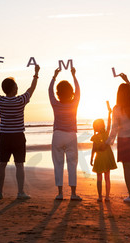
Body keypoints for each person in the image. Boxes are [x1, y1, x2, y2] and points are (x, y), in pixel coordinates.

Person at [0, 62, 40, 200]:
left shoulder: (0, 100)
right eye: (16, 86)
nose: (18, 87)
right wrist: (36, 74)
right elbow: (32, 88)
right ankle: (20, 192)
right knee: (19, 165)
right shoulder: (20, 100)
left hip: (4, 136)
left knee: (2, 164)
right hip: (18, 136)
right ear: (13, 89)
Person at [107, 73, 130, 202]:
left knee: (127, 168)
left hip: (124, 140)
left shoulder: (116, 109)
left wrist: (109, 141)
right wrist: (128, 80)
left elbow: (114, 128)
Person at [49, 67, 82, 201]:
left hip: (57, 135)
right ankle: (73, 193)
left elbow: (49, 91)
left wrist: (54, 76)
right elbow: (79, 91)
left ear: (58, 93)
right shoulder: (74, 103)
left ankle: (60, 193)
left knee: (58, 163)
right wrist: (74, 76)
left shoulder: (55, 104)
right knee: (72, 164)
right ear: (71, 92)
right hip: (71, 135)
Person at [90, 104, 117, 201]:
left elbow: (93, 149)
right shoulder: (106, 133)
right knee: (107, 177)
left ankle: (99, 196)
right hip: (107, 156)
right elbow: (109, 124)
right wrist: (109, 114)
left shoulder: (95, 137)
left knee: (99, 178)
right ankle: (107, 197)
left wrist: (91, 158)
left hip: (99, 158)